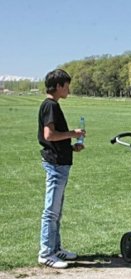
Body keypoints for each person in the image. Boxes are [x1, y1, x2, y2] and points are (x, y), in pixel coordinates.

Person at [37, 69, 86, 268]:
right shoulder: (50, 105)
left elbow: (56, 138)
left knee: (57, 211)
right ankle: (46, 253)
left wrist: (72, 146)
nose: (68, 89)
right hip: (56, 165)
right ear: (58, 86)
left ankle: (56, 249)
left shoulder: (53, 105)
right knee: (51, 211)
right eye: (66, 85)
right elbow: (49, 135)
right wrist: (73, 133)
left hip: (61, 162)